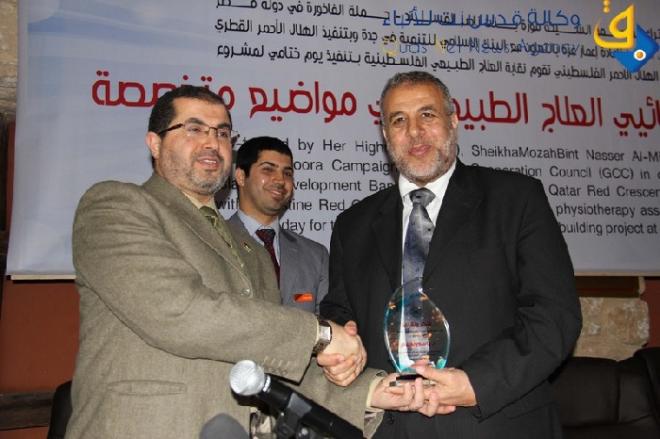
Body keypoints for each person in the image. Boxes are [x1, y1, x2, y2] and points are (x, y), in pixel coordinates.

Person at [66, 85, 424, 439]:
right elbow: (177, 310)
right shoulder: (116, 206)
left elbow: (272, 355)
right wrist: (320, 334)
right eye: (194, 129)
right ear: (154, 144)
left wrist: (370, 391)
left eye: (222, 133)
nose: (212, 143)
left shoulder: (249, 249)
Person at [320, 71, 582, 438]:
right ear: (385, 135)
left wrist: (475, 382)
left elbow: (554, 315)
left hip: (494, 424)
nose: (414, 132)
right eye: (399, 120)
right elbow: (340, 312)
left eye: (427, 115)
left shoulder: (516, 199)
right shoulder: (353, 224)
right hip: (389, 427)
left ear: (453, 121)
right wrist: (336, 348)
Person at [228, 136, 328, 313]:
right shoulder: (214, 240)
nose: (280, 180)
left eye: (287, 173)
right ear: (241, 177)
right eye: (268, 170)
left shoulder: (315, 255)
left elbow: (327, 320)